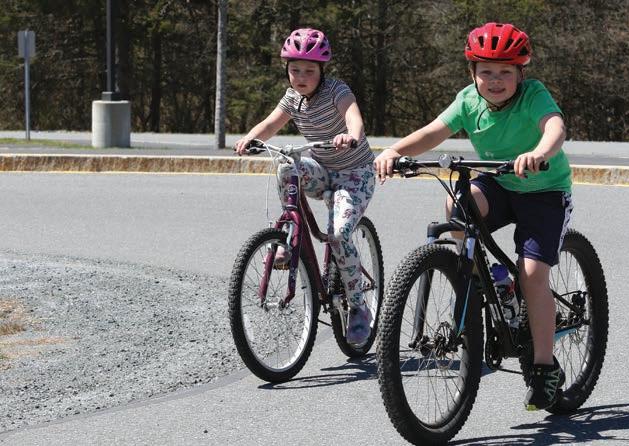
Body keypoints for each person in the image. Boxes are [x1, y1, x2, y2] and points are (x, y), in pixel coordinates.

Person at [374, 22, 573, 411]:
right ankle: (491, 280)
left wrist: (540, 153)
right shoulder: (468, 101)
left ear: (520, 74)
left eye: (505, 72)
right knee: (456, 206)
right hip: (499, 183)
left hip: (544, 190)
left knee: (533, 274)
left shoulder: (533, 95)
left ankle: (544, 366)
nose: (495, 80)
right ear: (472, 73)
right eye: (486, 72)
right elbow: (434, 132)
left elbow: (555, 127)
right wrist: (395, 151)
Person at [235, 28, 376, 345]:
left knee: (339, 235)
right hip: (323, 170)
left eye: (309, 70)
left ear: (322, 70)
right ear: (287, 69)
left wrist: (350, 135)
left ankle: (358, 307)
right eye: (295, 69)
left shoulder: (337, 90)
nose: (301, 77)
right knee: (288, 168)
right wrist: (250, 139)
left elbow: (354, 117)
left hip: (355, 174)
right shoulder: (292, 98)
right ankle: (289, 239)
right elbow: (270, 124)